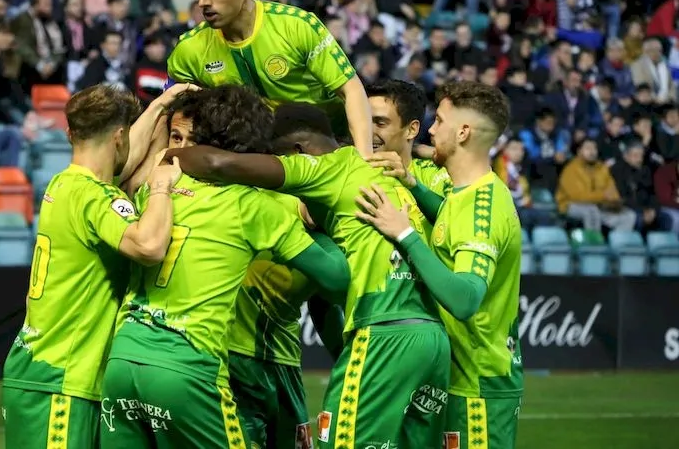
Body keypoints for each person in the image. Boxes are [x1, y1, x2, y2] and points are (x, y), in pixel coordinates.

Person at [164, 103, 451, 449]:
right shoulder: (385, 184)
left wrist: (165, 158)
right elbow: (328, 293)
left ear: (297, 153)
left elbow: (328, 295)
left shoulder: (322, 181)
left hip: (338, 342)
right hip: (429, 339)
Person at [99, 86, 351, 449]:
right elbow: (337, 278)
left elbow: (123, 176)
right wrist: (330, 229)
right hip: (189, 365)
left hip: (123, 359)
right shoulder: (255, 205)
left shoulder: (156, 187)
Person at [2, 83, 190, 449]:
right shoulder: (94, 197)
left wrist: (160, 106)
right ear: (119, 136)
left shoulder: (64, 183)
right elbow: (149, 245)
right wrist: (162, 187)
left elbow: (120, 166)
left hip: (38, 369)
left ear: (71, 133)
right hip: (62, 377)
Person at [357, 81, 524, 449]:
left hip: (478, 385)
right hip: (458, 377)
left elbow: (465, 299)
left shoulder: (483, 208)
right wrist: (412, 184)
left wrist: (405, 234)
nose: (430, 131)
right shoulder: (467, 193)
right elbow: (449, 220)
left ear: (463, 133)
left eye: (440, 121)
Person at [167, 0, 373, 157]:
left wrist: (364, 160)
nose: (203, 1)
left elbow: (351, 89)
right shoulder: (189, 50)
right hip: (261, 156)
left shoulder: (296, 26)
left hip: (330, 143)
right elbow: (166, 115)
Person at [364, 79, 453, 203]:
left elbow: (453, 212)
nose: (367, 131)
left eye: (380, 123)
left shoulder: (438, 176)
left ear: (411, 130)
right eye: (365, 121)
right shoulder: (347, 165)